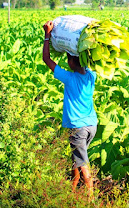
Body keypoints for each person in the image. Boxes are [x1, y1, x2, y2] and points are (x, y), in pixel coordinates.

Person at [42, 20, 98, 197]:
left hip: (77, 127)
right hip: (91, 126)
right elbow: (92, 60)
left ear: (72, 63)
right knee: (77, 158)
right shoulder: (91, 76)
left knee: (82, 163)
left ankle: (90, 198)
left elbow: (46, 59)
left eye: (68, 59)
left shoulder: (69, 78)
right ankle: (72, 190)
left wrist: (47, 36)